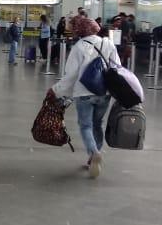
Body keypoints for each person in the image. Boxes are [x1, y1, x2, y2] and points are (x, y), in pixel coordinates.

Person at [49, 15, 121, 180]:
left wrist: (57, 90)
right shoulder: (108, 43)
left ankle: (94, 152)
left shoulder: (79, 47)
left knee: (86, 126)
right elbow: (117, 67)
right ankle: (93, 158)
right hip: (104, 93)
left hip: (84, 93)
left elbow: (71, 75)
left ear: (78, 30)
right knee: (98, 125)